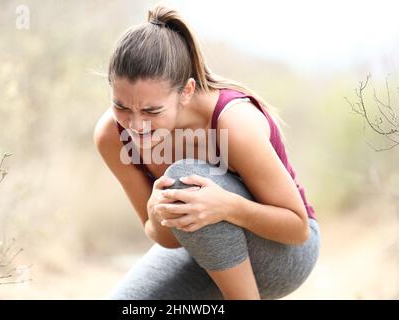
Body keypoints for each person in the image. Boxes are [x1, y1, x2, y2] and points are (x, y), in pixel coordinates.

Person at [94, 4, 320, 300]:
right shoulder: (112, 136)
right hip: (200, 255)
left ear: (186, 92)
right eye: (121, 106)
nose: (136, 125)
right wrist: (156, 213)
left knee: (185, 179)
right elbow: (165, 238)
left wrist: (226, 207)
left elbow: (297, 228)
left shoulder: (233, 121)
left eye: (152, 110)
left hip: (283, 254)